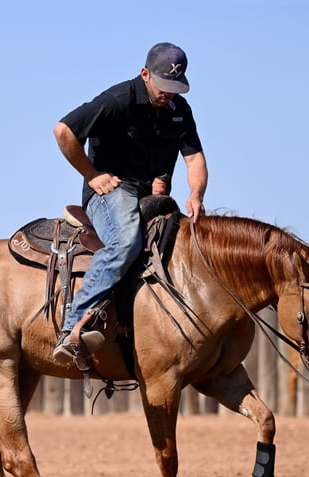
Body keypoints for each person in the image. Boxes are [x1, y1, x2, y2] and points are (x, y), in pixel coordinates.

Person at [52, 42, 208, 363]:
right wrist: (92, 174)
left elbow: (194, 159)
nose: (169, 94)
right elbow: (63, 131)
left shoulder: (180, 110)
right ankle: (74, 327)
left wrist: (196, 195)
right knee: (126, 242)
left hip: (151, 196)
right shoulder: (118, 100)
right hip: (111, 191)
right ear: (145, 74)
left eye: (175, 88)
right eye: (163, 86)